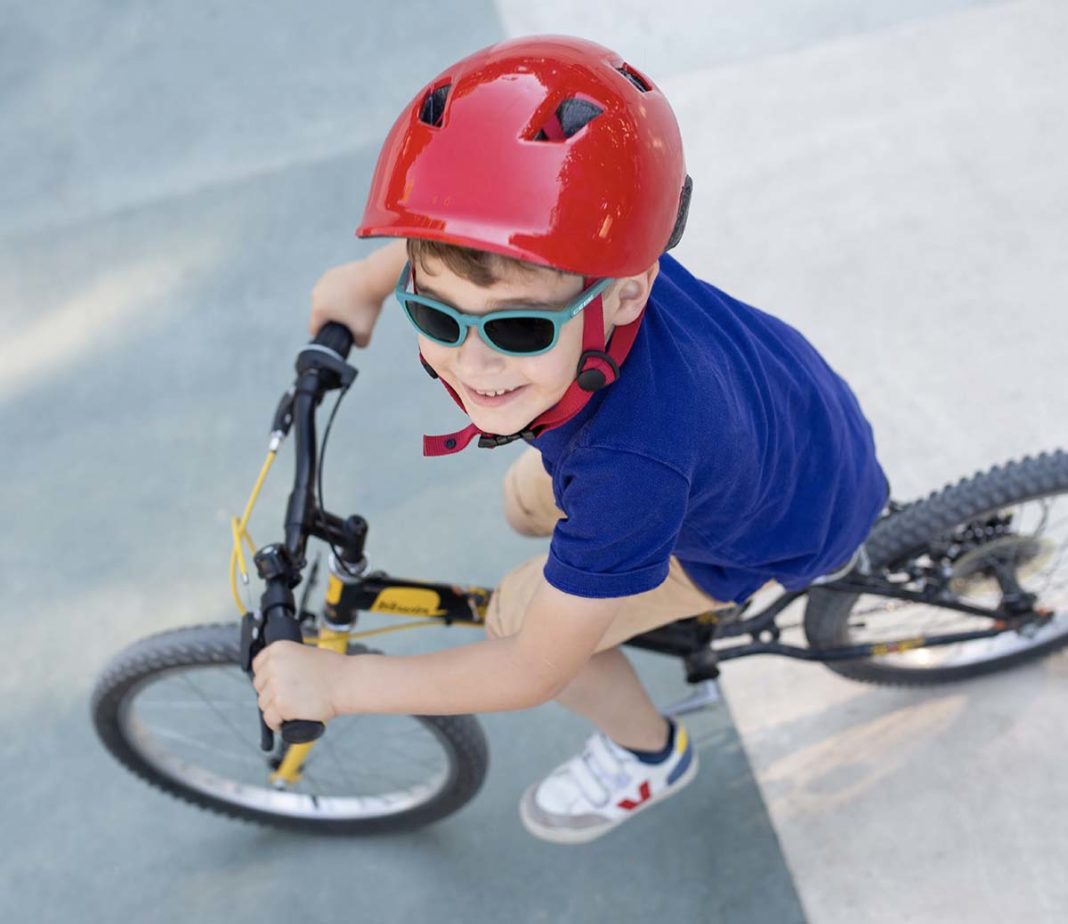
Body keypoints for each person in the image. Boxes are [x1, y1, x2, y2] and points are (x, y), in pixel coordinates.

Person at [251, 35, 888, 844]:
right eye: (437, 315)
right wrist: (371, 281)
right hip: (789, 417)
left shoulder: (632, 467)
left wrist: (340, 684)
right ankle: (601, 581)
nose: (471, 361)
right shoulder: (605, 246)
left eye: (516, 329)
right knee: (525, 497)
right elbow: (461, 241)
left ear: (627, 295)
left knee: (519, 622)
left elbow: (530, 674)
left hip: (766, 526)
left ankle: (649, 752)